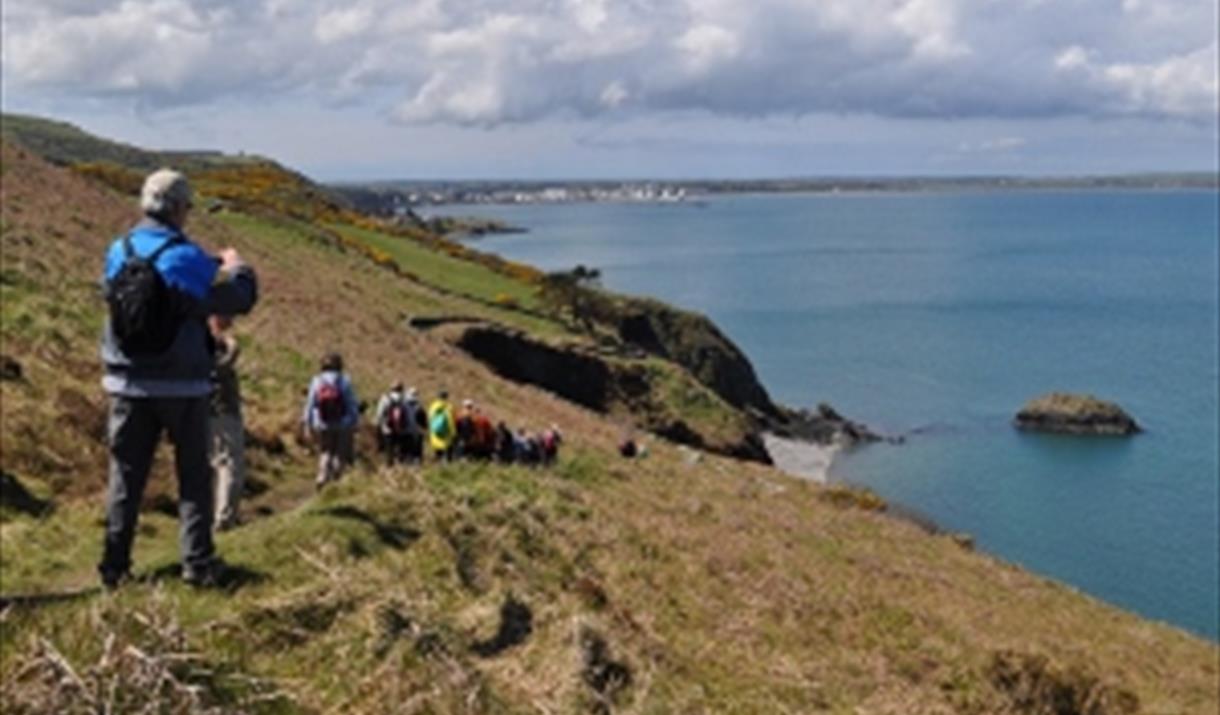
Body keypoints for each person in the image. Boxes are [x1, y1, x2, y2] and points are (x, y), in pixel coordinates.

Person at [98, 168, 258, 589]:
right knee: (193, 476)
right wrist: (237, 266)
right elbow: (237, 299)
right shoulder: (186, 256)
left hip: (125, 384)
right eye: (188, 207)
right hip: (182, 386)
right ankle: (198, 563)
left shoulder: (119, 250)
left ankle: (114, 567)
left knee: (126, 478)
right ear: (178, 208)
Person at [208, 315, 246, 531]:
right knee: (230, 464)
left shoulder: (195, 345)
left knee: (212, 463)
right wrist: (231, 346)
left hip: (203, 410)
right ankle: (224, 517)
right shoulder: (218, 349)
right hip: (224, 410)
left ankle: (209, 513)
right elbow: (225, 363)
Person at [303, 353, 359, 489]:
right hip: (343, 424)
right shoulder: (344, 381)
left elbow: (310, 403)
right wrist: (355, 421)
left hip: (322, 423)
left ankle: (321, 477)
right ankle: (335, 481)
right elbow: (351, 404)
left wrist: (307, 423)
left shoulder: (317, 381)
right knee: (339, 454)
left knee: (325, 451)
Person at [375, 381, 416, 466]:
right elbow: (408, 416)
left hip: (388, 428)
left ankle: (390, 467)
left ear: (391, 389)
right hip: (401, 429)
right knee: (400, 451)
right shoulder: (404, 400)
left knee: (389, 451)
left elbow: (379, 414)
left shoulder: (385, 399)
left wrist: (380, 425)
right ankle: (401, 467)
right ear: (401, 389)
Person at [427, 390, 457, 462]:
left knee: (438, 454)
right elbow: (451, 422)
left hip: (435, 434)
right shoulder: (448, 407)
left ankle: (437, 469)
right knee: (447, 456)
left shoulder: (432, 407)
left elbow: (430, 419)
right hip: (446, 436)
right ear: (446, 397)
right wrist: (453, 433)